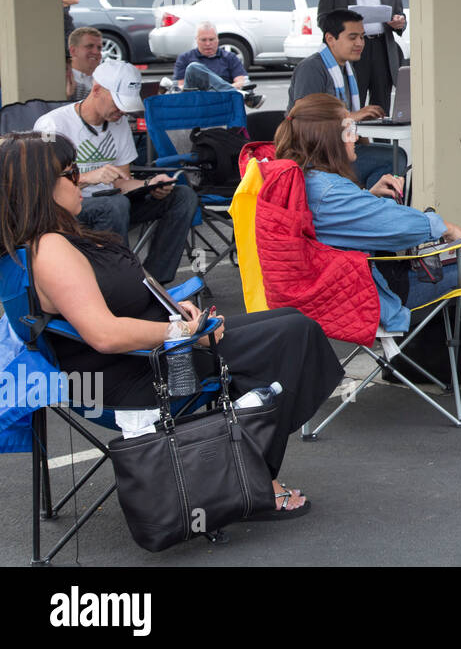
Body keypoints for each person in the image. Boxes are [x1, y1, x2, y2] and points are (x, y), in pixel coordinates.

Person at [0, 131, 343, 516]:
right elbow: (104, 335)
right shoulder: (49, 250)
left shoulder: (55, 238)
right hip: (136, 373)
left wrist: (175, 308)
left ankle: (242, 460)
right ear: (38, 186)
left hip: (153, 351)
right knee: (293, 337)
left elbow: (124, 293)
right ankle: (253, 478)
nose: (82, 180)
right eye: (71, 172)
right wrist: (186, 333)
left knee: (292, 321)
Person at [274, 94, 461, 412]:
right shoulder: (330, 193)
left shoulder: (310, 182)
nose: (355, 136)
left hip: (359, 285)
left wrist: (367, 197)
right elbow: (396, 225)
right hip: (381, 292)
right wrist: (444, 227)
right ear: (328, 139)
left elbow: (350, 220)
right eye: (349, 128)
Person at [33, 61, 198, 285]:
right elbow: (42, 184)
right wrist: (87, 178)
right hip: (69, 209)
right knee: (114, 204)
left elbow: (122, 182)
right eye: (117, 103)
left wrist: (150, 184)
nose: (122, 111)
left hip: (114, 203)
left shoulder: (118, 123)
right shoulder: (52, 124)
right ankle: (122, 283)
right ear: (96, 90)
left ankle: (154, 282)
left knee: (183, 196)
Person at [288, 8, 406, 191]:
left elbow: (351, 124)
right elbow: (304, 118)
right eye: (352, 37)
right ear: (330, 39)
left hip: (340, 148)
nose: (360, 43)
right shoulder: (311, 68)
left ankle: (370, 201)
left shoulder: (348, 69)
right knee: (393, 158)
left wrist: (363, 139)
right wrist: (353, 116)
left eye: (362, 37)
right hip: (315, 158)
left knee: (394, 154)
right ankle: (373, 205)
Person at [318, 0, 406, 113]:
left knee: (380, 108)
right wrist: (345, 25)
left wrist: (399, 22)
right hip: (350, 49)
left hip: (382, 48)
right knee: (350, 106)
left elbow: (399, 13)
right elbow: (323, 19)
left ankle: (380, 133)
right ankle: (353, 134)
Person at [168, 21, 265, 108]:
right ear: (196, 40)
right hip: (195, 101)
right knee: (193, 67)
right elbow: (180, 88)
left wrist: (215, 91)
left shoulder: (230, 57)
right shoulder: (185, 58)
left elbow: (242, 83)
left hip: (222, 102)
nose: (208, 43)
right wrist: (226, 88)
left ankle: (233, 93)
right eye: (203, 40)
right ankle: (241, 95)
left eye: (211, 39)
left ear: (217, 39)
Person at [65, 27, 102, 100]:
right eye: (89, 46)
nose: (96, 52)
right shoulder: (63, 79)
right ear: (73, 51)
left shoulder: (105, 78)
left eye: (99, 48)